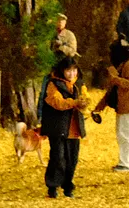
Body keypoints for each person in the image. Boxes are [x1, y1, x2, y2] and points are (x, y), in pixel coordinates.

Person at [40, 57, 99, 198]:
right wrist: (74, 102)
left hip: (74, 128)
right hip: (58, 127)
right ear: (62, 71)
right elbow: (56, 102)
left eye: (74, 70)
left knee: (72, 159)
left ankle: (68, 187)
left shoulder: (79, 84)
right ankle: (52, 187)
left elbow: (85, 97)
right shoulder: (53, 84)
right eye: (68, 70)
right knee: (58, 157)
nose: (71, 73)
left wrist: (85, 102)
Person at [95, 40, 129, 172]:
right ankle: (123, 161)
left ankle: (126, 164)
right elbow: (113, 89)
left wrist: (115, 79)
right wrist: (100, 106)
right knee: (121, 134)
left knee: (126, 134)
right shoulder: (122, 64)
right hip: (123, 106)